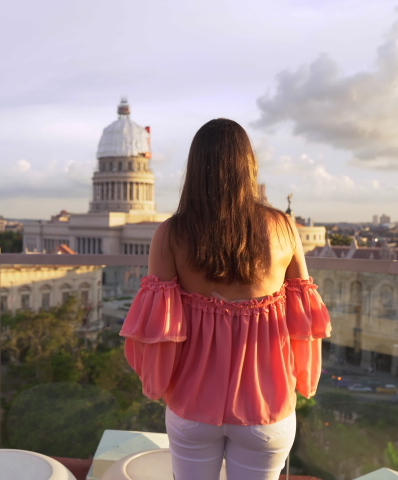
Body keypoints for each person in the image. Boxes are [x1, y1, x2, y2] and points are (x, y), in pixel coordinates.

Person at [120, 119, 330, 480]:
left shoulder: (171, 234)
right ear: (248, 166)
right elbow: (304, 323)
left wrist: (158, 383)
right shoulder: (283, 227)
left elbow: (159, 330)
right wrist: (303, 378)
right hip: (268, 407)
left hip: (192, 404)